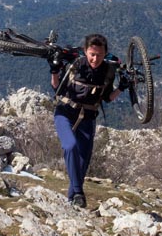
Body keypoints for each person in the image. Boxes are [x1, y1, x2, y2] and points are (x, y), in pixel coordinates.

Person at [48, 33, 129, 208]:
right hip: (65, 113)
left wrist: (122, 87)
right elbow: (56, 86)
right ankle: (78, 193)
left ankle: (72, 205)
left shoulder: (108, 71)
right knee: (70, 146)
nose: (95, 58)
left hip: (88, 118)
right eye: (92, 54)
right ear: (85, 51)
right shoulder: (75, 65)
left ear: (105, 53)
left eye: (99, 54)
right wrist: (54, 70)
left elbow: (107, 97)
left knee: (82, 164)